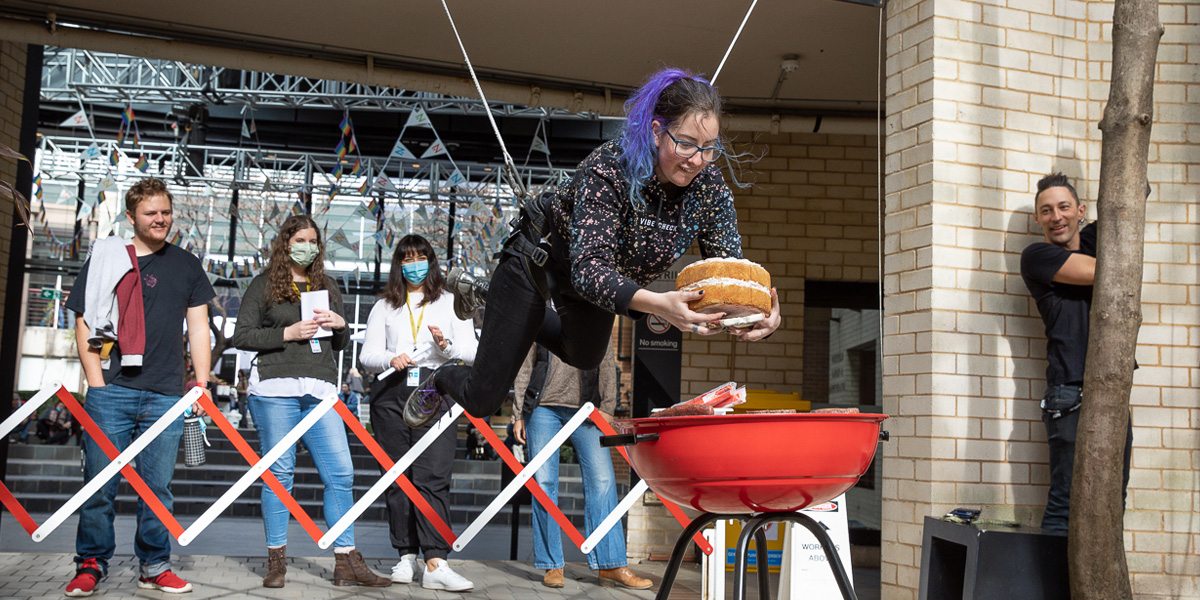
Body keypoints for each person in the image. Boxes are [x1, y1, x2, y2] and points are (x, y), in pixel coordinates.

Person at [405, 68, 781, 434]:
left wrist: (755, 317)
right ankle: (442, 377)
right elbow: (589, 269)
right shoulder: (609, 168)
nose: (697, 160)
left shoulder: (709, 188)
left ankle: (494, 302)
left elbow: (727, 272)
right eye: (685, 143)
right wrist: (660, 303)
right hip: (538, 264)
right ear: (656, 131)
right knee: (483, 398)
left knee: (584, 356)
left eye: (708, 148)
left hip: (606, 285)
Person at [64, 177, 215, 596]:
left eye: (165, 212)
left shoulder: (186, 264)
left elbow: (199, 327)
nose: (160, 219)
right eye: (150, 213)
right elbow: (83, 319)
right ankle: (91, 564)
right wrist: (96, 382)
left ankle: (154, 565)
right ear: (131, 217)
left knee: (157, 488)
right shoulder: (106, 257)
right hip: (112, 388)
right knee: (99, 483)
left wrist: (200, 384)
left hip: (166, 392)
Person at [230, 214, 389, 589]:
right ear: (286, 243)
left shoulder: (327, 285)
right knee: (279, 475)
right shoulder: (264, 284)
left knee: (341, 473)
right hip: (274, 389)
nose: (308, 245)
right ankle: (276, 562)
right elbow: (242, 335)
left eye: (313, 240)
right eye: (300, 238)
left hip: (319, 390)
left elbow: (338, 344)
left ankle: (345, 561)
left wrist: (340, 326)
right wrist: (287, 331)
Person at [360, 234, 478, 592]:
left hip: (435, 388)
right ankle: (405, 556)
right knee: (397, 478)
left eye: (421, 257)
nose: (414, 264)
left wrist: (446, 346)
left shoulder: (451, 301)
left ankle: (436, 560)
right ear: (399, 264)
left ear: (431, 261)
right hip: (390, 392)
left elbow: (473, 352)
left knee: (432, 476)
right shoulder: (384, 305)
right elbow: (367, 356)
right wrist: (389, 358)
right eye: (407, 258)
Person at [1020, 172, 1133, 533]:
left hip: (1112, 391)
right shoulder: (1037, 256)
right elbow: (1108, 271)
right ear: (1037, 219)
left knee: (1113, 500)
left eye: (1064, 207)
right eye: (1047, 210)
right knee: (1065, 503)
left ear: (1080, 210)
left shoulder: (1095, 238)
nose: (1057, 217)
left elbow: (1134, 191)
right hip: (1069, 394)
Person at [514, 342, 651, 590]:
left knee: (603, 481)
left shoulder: (595, 309)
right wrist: (518, 413)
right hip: (542, 408)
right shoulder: (542, 311)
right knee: (544, 484)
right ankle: (551, 564)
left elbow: (607, 360)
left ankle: (610, 565)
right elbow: (525, 364)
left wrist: (608, 407)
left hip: (587, 409)